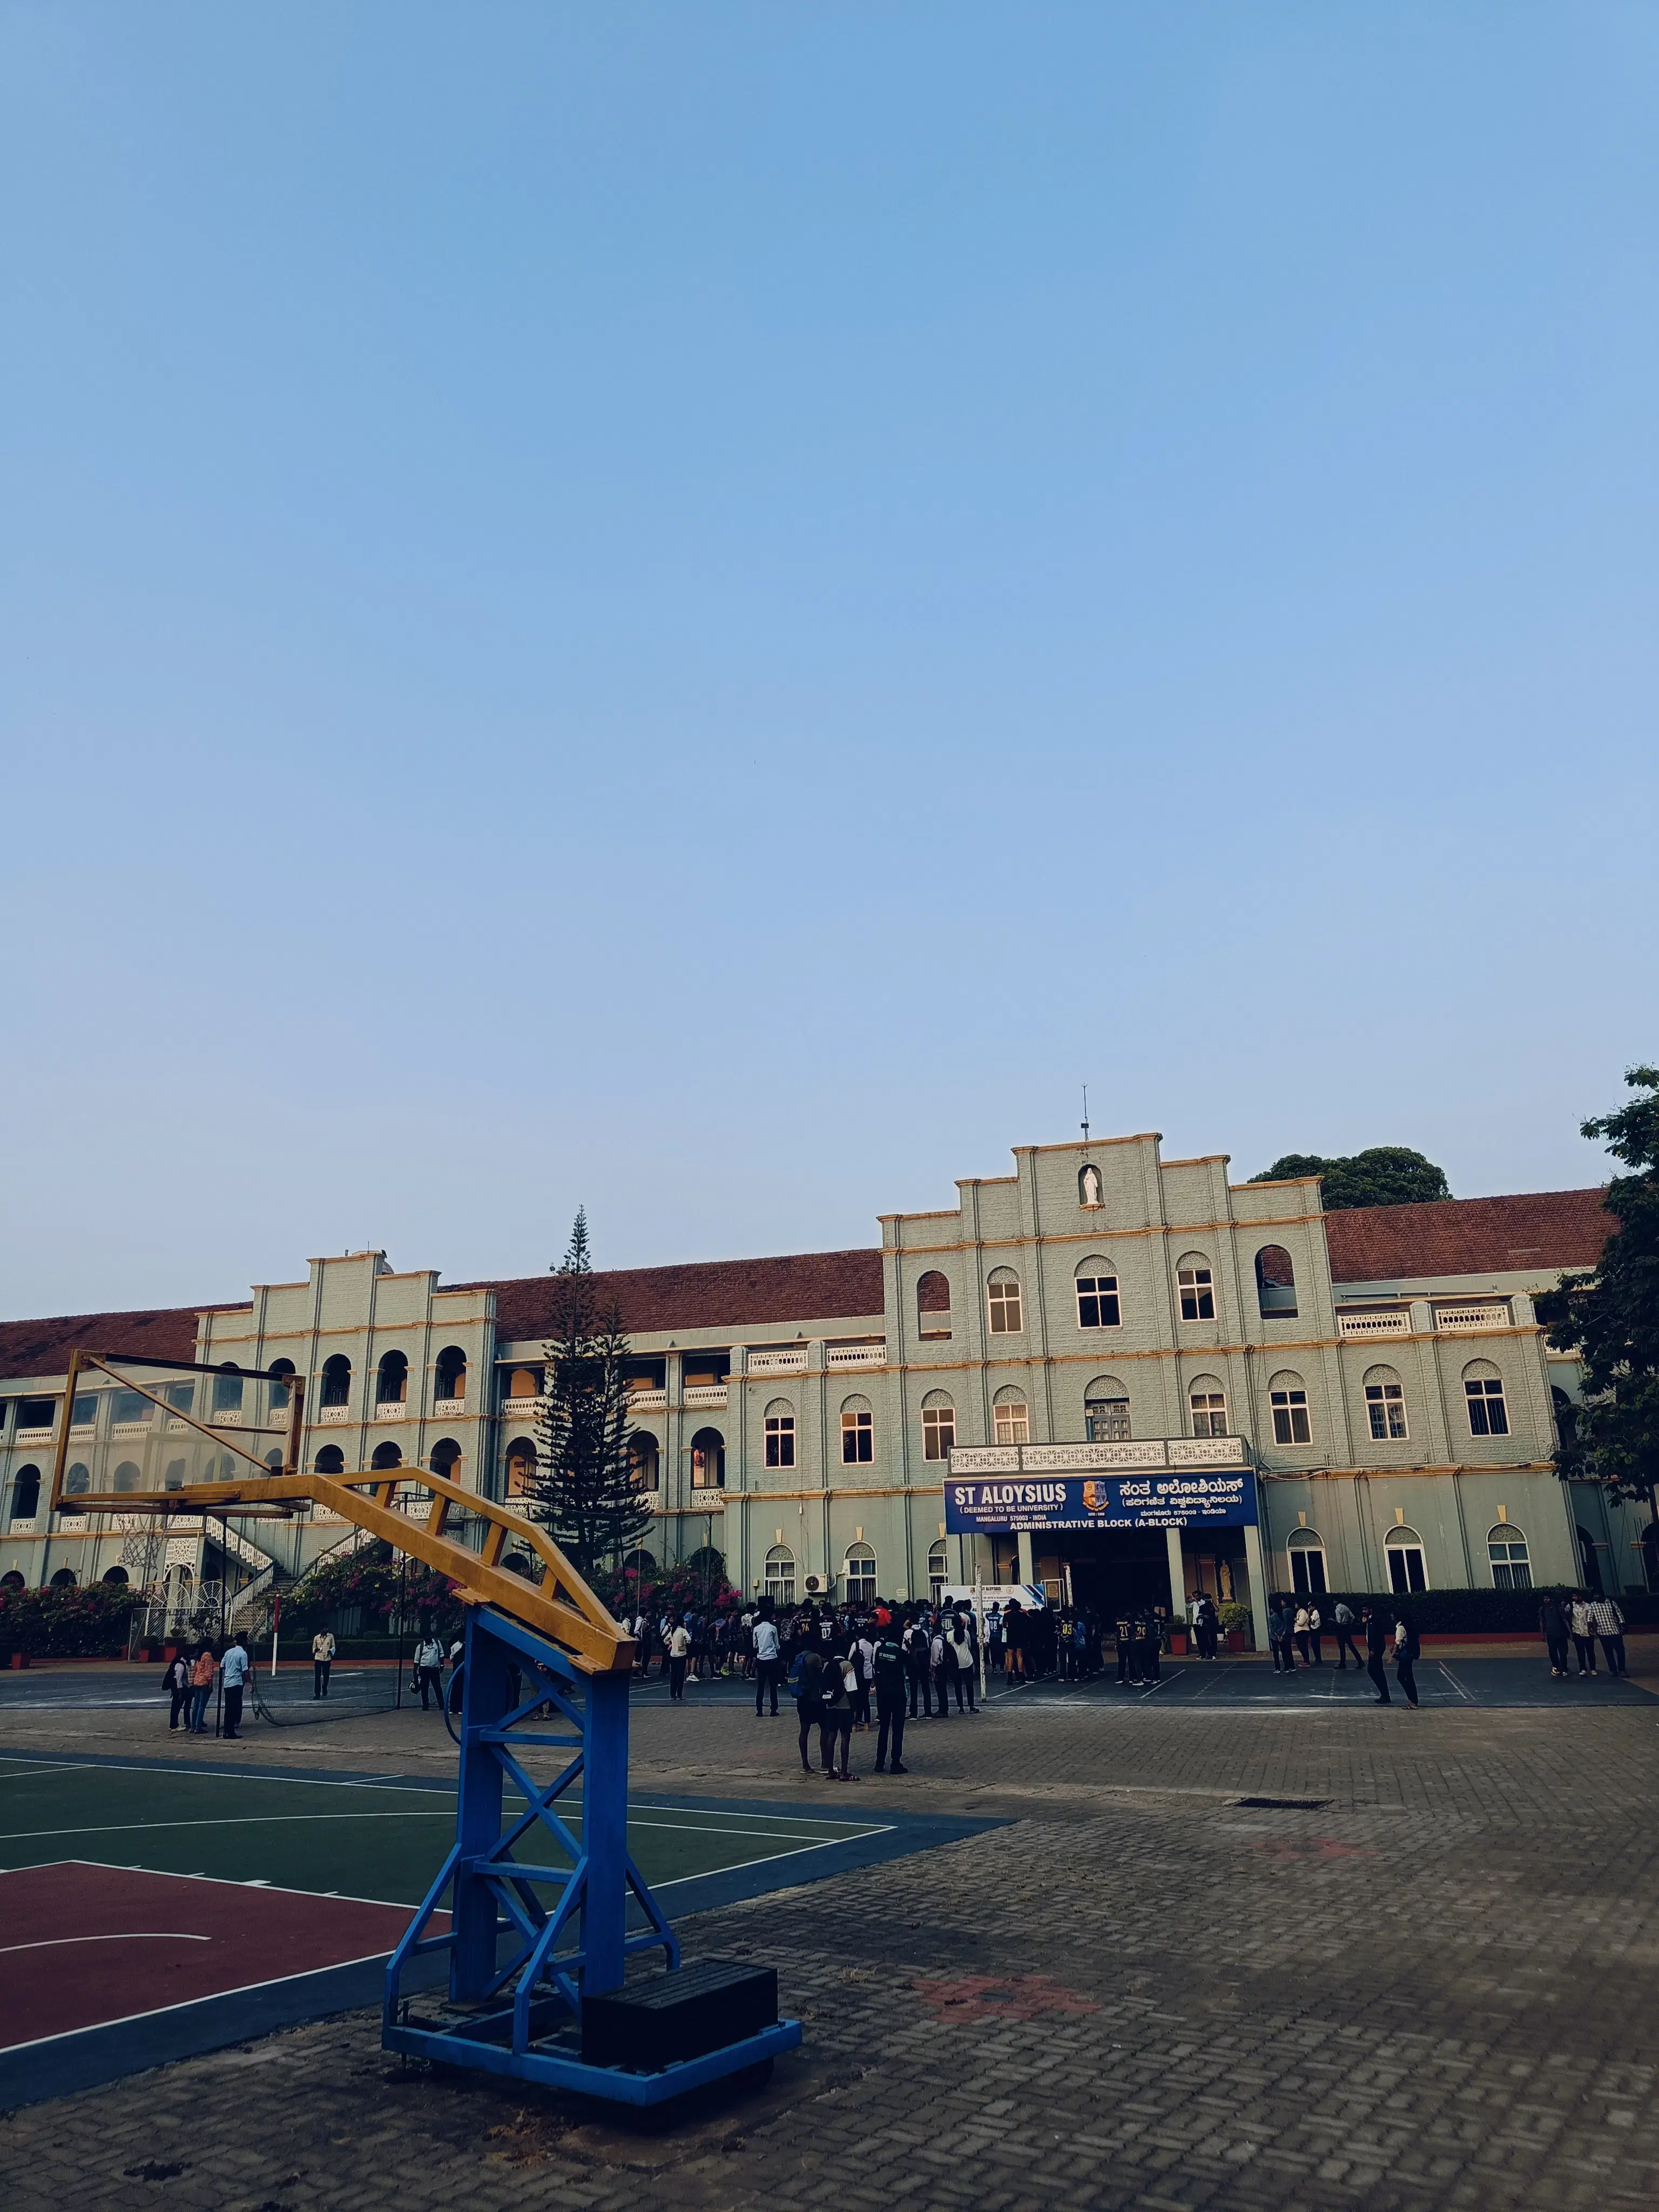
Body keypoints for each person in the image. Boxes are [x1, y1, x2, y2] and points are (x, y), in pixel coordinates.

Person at [873, 1619, 908, 1773]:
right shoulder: (901, 1653)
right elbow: (916, 1666)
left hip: (883, 1694)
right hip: (898, 1694)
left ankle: (879, 1763)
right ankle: (895, 1763)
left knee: (884, 1728)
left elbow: (877, 1669)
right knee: (898, 1729)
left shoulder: (879, 1650)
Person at [818, 1647, 857, 1780]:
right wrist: (854, 1708)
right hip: (844, 1706)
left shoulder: (828, 1666)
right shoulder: (848, 1665)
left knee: (831, 1737)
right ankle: (844, 1772)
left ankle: (830, 1770)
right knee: (845, 1737)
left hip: (830, 1706)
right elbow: (851, 1689)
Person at [789, 1640, 826, 1773]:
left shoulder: (798, 1658)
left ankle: (805, 1764)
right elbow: (820, 1678)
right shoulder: (815, 1658)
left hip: (802, 1698)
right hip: (815, 1698)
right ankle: (825, 1763)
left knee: (804, 1730)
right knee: (825, 1729)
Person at [753, 1605, 783, 1716]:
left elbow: (755, 1645)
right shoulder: (773, 1628)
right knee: (773, 1686)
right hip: (772, 1658)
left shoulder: (756, 1629)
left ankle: (759, 1710)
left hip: (761, 1659)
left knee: (761, 1686)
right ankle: (773, 1709)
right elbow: (777, 1645)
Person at [1589, 1591, 1627, 1677]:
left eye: (1597, 1595)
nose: (1596, 1597)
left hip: (1615, 1631)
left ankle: (1622, 1669)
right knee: (1608, 1653)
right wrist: (1590, 1628)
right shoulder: (1593, 1605)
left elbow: (1619, 1614)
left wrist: (1622, 1626)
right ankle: (1613, 1670)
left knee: (1620, 1652)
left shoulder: (1611, 1603)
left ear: (1602, 1595)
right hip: (1603, 1632)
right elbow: (1590, 1617)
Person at [220, 1632, 251, 1739]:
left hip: (227, 1683)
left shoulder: (229, 1652)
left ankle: (226, 1731)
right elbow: (245, 1671)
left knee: (228, 1708)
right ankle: (231, 1732)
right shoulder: (243, 1654)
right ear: (243, 1641)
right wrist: (250, 1683)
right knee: (234, 1708)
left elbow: (222, 1665)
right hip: (236, 1683)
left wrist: (230, 1670)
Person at [1362, 1603, 1391, 1705]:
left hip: (1376, 1648)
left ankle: (1385, 1695)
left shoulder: (1374, 1620)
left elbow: (1376, 1636)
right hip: (1374, 1647)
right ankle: (1384, 1694)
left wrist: (1373, 1649)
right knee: (1374, 1670)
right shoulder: (1369, 1620)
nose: (1364, 1612)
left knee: (1375, 1670)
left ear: (1371, 1609)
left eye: (1366, 1609)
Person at [1392, 1606, 1421, 1709]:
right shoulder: (1409, 1626)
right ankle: (1413, 1700)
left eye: (1393, 1615)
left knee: (1402, 1677)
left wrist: (1392, 1656)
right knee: (1408, 1677)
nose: (1392, 1617)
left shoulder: (1400, 1628)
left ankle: (1413, 1700)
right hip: (1411, 1654)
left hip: (1406, 1654)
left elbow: (1398, 1642)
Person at [1538, 1591, 1571, 1678]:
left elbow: (1565, 1621)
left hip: (1561, 1633)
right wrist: (1542, 1633)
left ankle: (1564, 1668)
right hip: (1550, 1634)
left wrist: (1570, 1633)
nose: (1546, 1600)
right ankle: (1556, 1667)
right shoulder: (1543, 1609)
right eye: (1544, 1599)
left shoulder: (1559, 1608)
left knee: (1563, 1652)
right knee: (1553, 1652)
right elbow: (1542, 1621)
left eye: (1547, 1598)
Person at [904, 1614, 931, 1717]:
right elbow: (928, 1647)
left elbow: (905, 1649)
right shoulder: (924, 1632)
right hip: (923, 1660)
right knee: (926, 1687)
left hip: (913, 1661)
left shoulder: (907, 1633)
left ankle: (914, 1713)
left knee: (913, 1688)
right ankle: (928, 1712)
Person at [187, 1642, 217, 1734]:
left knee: (196, 1705)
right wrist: (210, 1682)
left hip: (197, 1681)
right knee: (202, 1706)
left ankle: (193, 1726)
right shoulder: (207, 1655)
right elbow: (209, 1671)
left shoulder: (199, 1656)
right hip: (204, 1682)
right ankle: (198, 1727)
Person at [949, 1620, 977, 1711]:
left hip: (955, 1662)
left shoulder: (949, 1634)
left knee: (957, 1686)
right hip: (967, 1661)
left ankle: (961, 1707)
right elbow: (969, 1646)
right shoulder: (966, 1633)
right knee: (969, 1685)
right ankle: (971, 1707)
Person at [852, 1625, 876, 1729]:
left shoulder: (856, 1644)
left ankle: (855, 1722)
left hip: (858, 1674)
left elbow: (850, 1658)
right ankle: (867, 1722)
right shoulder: (870, 1645)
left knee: (857, 1699)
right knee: (866, 1698)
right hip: (868, 1673)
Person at [413, 1631, 444, 1710]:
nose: (428, 1638)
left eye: (429, 1636)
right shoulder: (420, 1647)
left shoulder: (437, 1643)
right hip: (424, 1669)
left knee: (437, 1687)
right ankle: (425, 1705)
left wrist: (442, 1665)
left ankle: (442, 1704)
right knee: (424, 1688)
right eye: (426, 1636)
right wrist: (415, 1672)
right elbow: (416, 1660)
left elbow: (441, 1654)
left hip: (434, 1669)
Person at [1569, 1591, 1598, 1676]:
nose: (1574, 1598)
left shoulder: (1588, 1606)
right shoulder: (1571, 1606)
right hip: (1577, 1631)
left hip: (1588, 1631)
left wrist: (1595, 1631)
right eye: (1573, 1596)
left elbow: (1593, 1619)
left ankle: (1593, 1668)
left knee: (1590, 1651)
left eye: (1576, 1596)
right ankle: (1583, 1668)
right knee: (1580, 1652)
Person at [1332, 1600, 1362, 1673]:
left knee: (1342, 1647)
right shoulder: (1346, 1607)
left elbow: (1339, 1621)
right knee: (1351, 1646)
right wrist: (1349, 1624)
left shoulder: (1337, 1609)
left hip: (1341, 1628)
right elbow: (1353, 1617)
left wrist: (1332, 1620)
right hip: (1347, 1627)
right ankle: (1360, 1661)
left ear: (1336, 1601)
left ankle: (1343, 1663)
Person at [165, 1648, 191, 1731]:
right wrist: (180, 1691)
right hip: (177, 1686)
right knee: (176, 1705)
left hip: (178, 1685)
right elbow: (179, 1679)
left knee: (177, 1706)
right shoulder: (180, 1664)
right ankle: (174, 1725)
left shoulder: (183, 1663)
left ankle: (174, 1724)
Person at [667, 1616, 691, 1701]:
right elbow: (689, 1639)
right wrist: (684, 1643)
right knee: (681, 1676)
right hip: (682, 1654)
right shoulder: (683, 1631)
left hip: (673, 1655)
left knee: (673, 1676)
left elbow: (665, 1640)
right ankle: (680, 1695)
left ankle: (672, 1694)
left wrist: (671, 1644)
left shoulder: (672, 1631)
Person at [312, 1627, 335, 1700]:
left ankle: (324, 1687)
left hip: (327, 1659)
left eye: (327, 1629)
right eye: (324, 1629)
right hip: (318, 1658)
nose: (326, 1630)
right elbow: (313, 1648)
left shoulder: (330, 1636)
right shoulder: (316, 1638)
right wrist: (316, 1650)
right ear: (321, 1630)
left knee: (326, 1676)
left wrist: (331, 1651)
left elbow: (333, 1647)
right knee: (317, 1677)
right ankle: (317, 1694)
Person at [1293, 1602, 1313, 1667]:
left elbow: (1301, 1623)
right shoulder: (1299, 1612)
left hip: (1302, 1630)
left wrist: (1296, 1621)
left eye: (1296, 1604)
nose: (1295, 1605)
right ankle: (1305, 1660)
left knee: (1303, 1646)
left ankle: (1307, 1661)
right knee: (1300, 1646)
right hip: (1299, 1631)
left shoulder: (1303, 1612)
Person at [1306, 1601, 1324, 1665]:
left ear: (1314, 1607)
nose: (1310, 1608)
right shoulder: (1313, 1613)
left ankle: (1318, 1659)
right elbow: (1309, 1620)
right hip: (1314, 1630)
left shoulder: (1316, 1613)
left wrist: (1309, 1621)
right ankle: (1317, 1658)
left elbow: (1312, 1622)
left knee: (1316, 1645)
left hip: (1315, 1630)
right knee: (1314, 1645)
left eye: (1311, 1607)